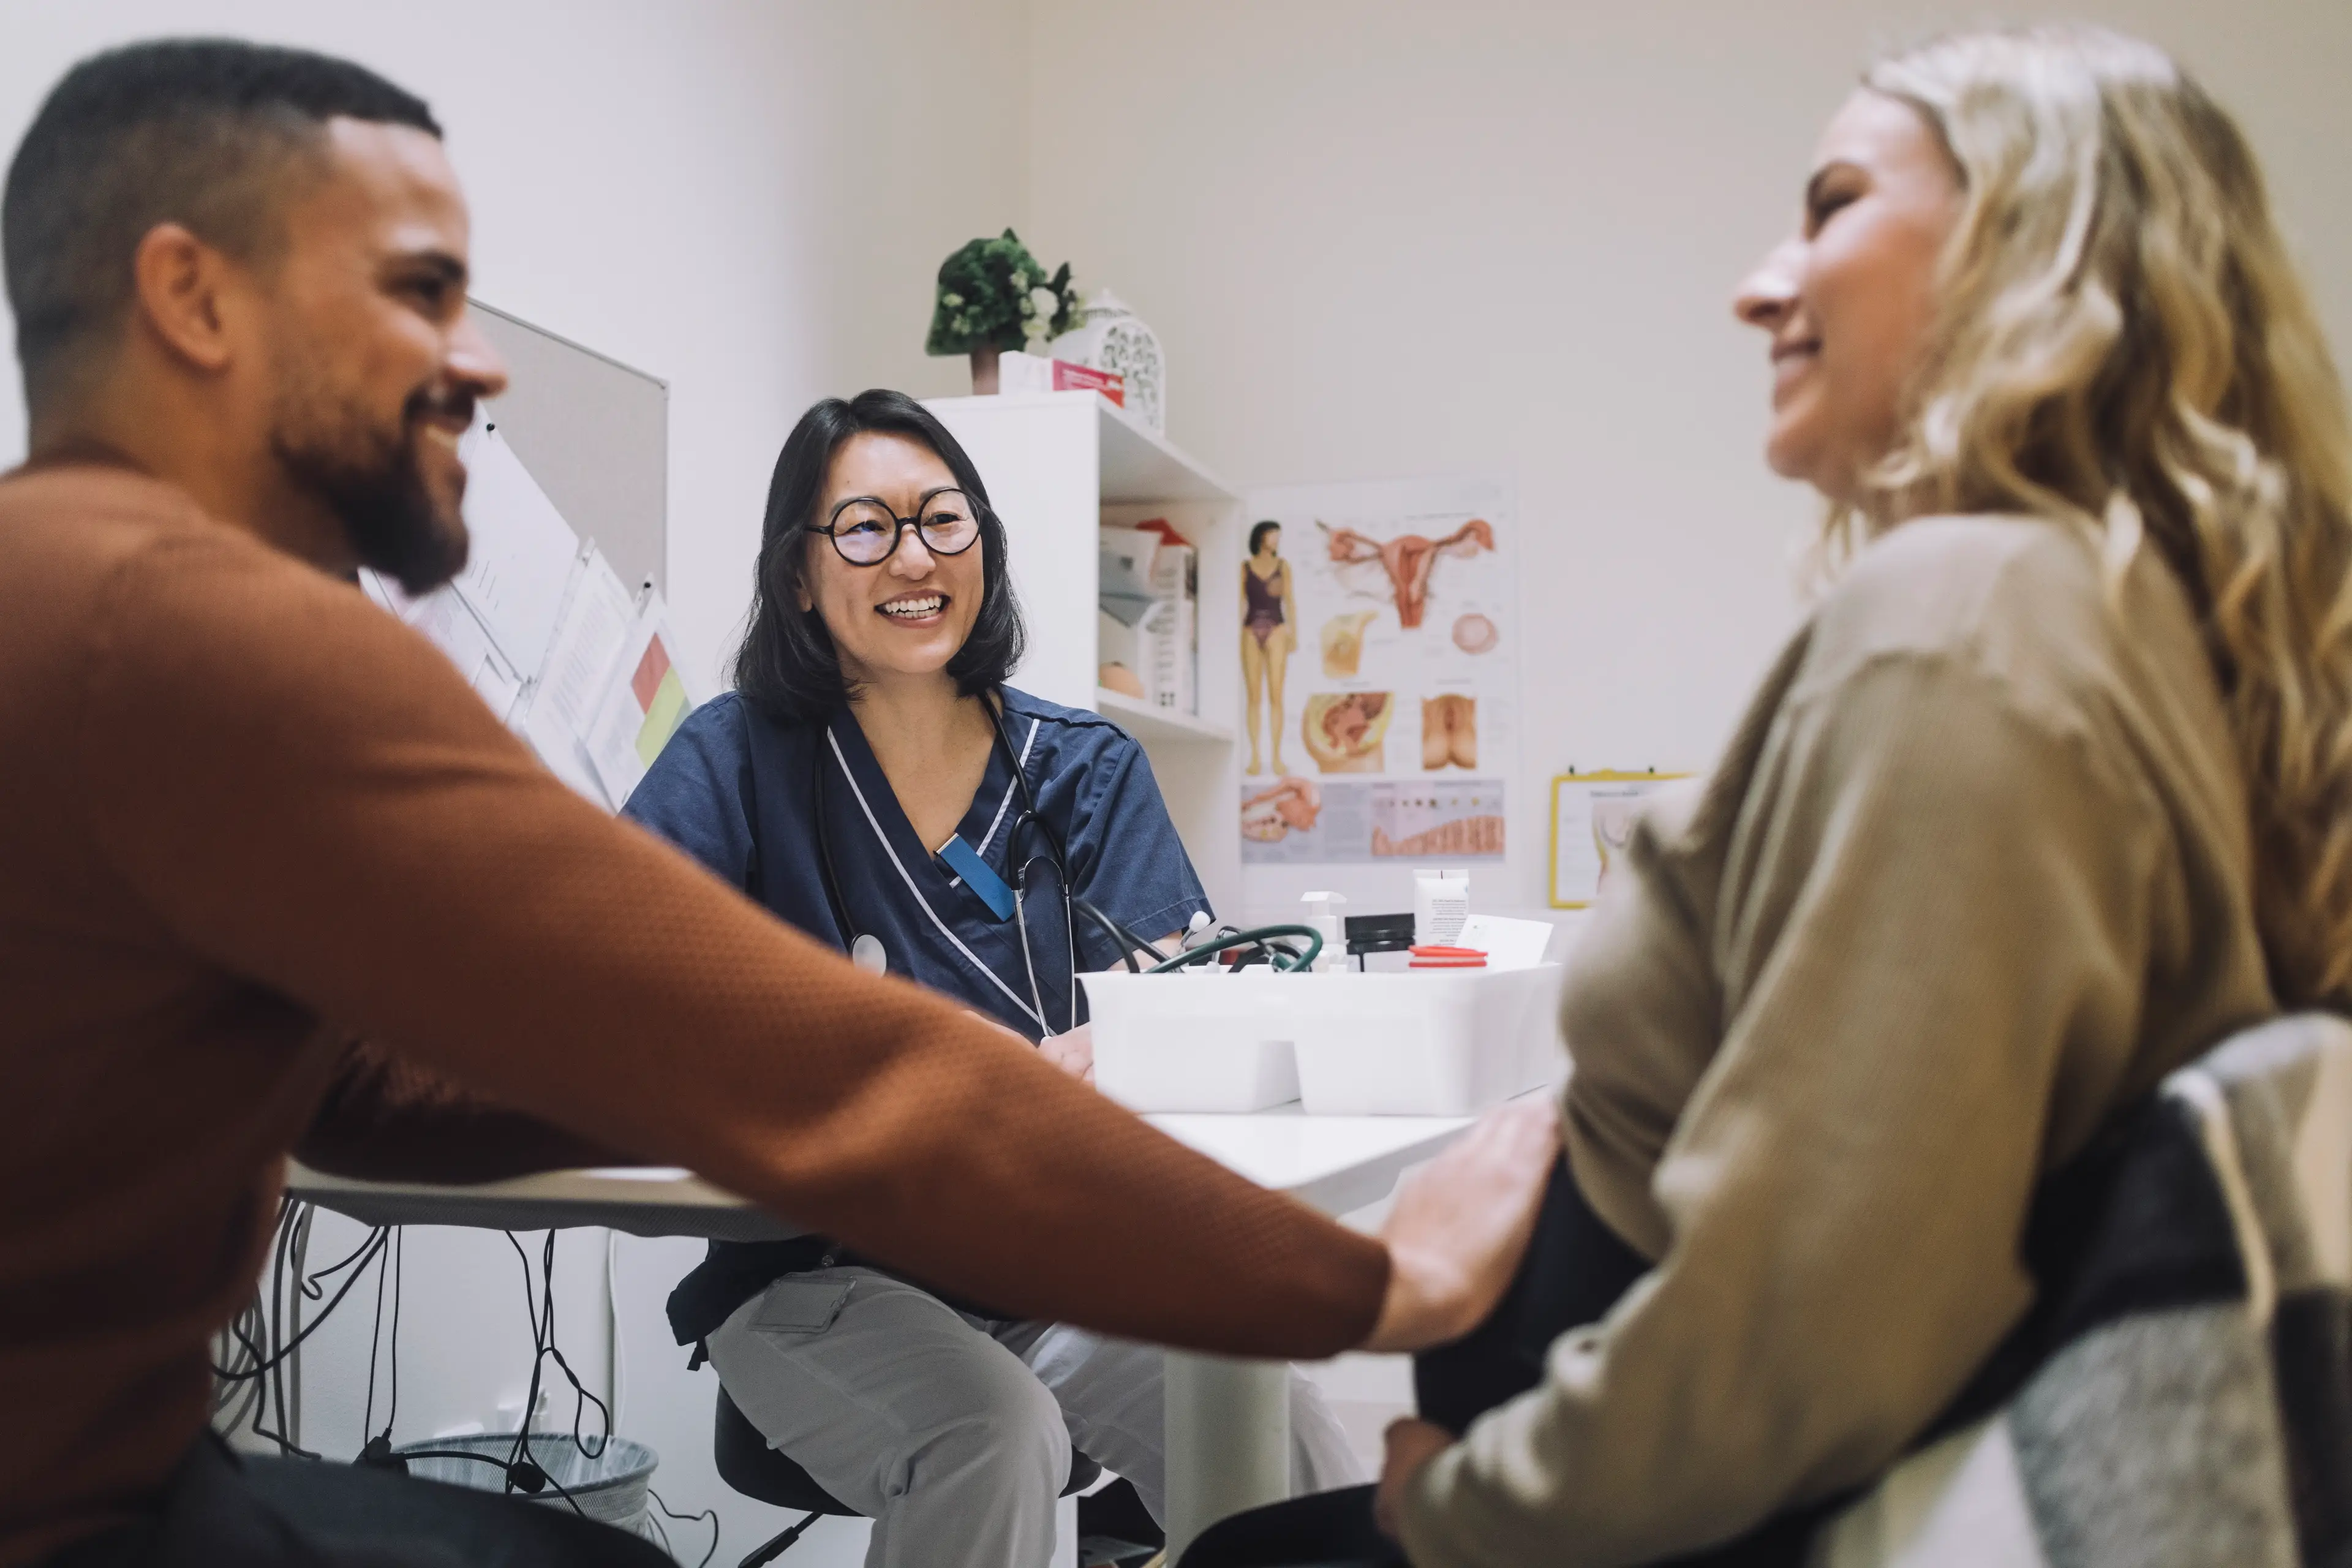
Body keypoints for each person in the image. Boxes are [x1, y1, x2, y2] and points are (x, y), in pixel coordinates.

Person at [0, 39, 1558, 1568]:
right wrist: (1372, 1284)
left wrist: (718, 1056)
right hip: (106, 1498)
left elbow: (387, 1069)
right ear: (192, 297)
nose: (480, 364)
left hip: (119, 1466)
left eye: (940, 520)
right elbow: (770, 1050)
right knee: (958, 1446)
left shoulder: (85, 603)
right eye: (418, 293)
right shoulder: (216, 637)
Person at [1183, 23, 2348, 1567]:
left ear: (2032, 237)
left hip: (1659, 1504)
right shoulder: (2131, 627)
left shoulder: (1963, 618)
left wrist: (1459, 1505)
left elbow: (1814, 1312)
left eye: (1832, 202)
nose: (1758, 284)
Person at [622, 390, 1363, 1566]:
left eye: (943, 520)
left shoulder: (1081, 771)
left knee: (1276, 1421)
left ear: (986, 546)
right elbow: (621, 967)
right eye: (864, 528)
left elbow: (1181, 988)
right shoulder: (734, 759)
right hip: (811, 1275)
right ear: (800, 578)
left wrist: (1115, 1041)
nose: (914, 557)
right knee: (991, 1430)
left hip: (1044, 1262)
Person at [1240, 519, 1297, 775]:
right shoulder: (1245, 567)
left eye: (1278, 535)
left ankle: (1276, 756)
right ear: (1261, 537)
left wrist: (1293, 633)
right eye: (1272, 535)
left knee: (1276, 695)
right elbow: (1240, 602)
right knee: (1254, 697)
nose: (1275, 539)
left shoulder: (1283, 566)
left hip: (1277, 628)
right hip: (1251, 629)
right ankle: (1254, 757)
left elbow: (1289, 601)